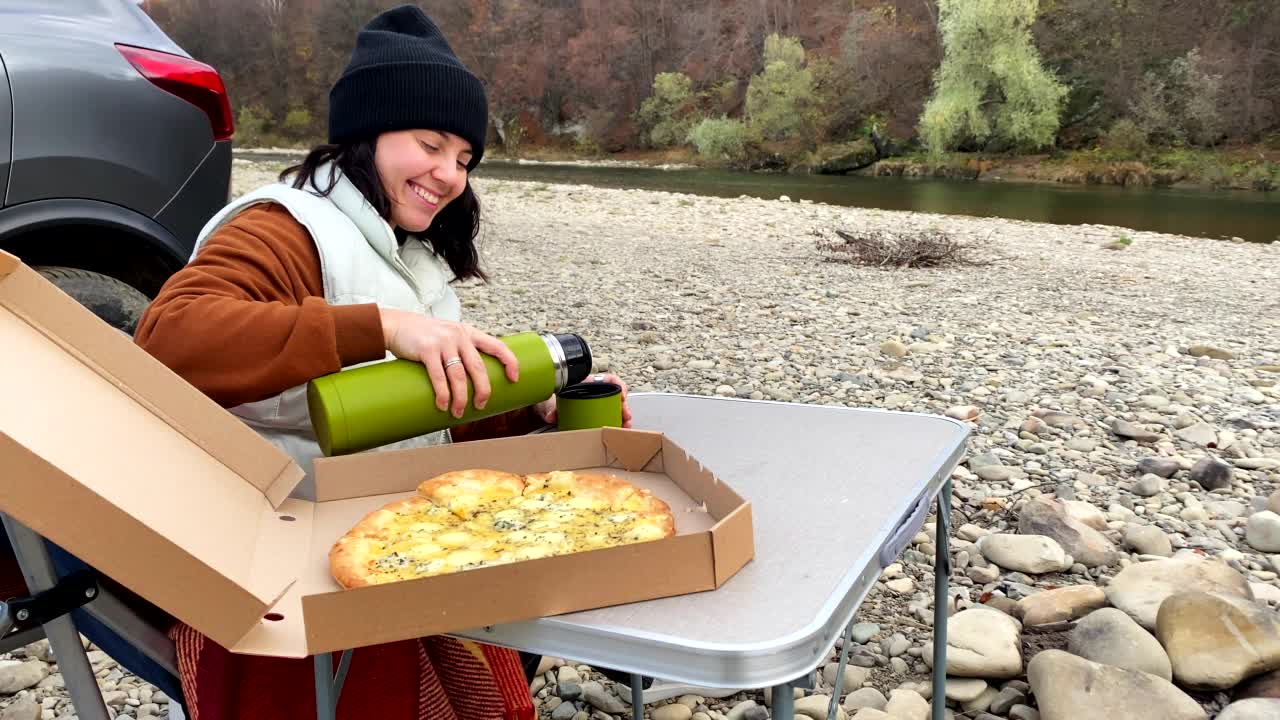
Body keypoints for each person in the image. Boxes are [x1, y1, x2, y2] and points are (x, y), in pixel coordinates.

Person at [128, 5, 631, 718]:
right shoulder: (282, 226)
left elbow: (424, 419)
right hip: (275, 554)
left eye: (464, 158)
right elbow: (170, 338)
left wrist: (534, 412)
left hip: (391, 534)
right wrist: (381, 327)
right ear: (367, 132)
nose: (449, 174)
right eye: (430, 144)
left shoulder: (409, 254)